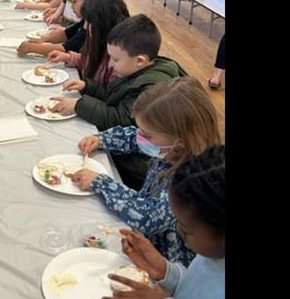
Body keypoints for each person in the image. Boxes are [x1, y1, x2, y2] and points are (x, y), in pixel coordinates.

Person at [73, 77, 221, 265]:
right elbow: (135, 138)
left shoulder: (193, 182)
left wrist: (102, 183)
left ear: (181, 139)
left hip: (166, 261)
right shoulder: (170, 147)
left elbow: (148, 218)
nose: (140, 137)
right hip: (146, 243)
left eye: (147, 135)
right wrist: (101, 139)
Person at [52, 14, 187, 188]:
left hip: (136, 170)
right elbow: (113, 96)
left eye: (115, 60)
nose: (110, 65)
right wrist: (87, 87)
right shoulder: (136, 72)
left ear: (140, 61)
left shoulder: (150, 87)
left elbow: (120, 118)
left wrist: (79, 104)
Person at [102, 144, 225, 299]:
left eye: (186, 229)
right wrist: (166, 271)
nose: (178, 230)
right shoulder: (214, 252)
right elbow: (194, 291)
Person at [47, 0, 130, 84]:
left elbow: (108, 93)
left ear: (103, 23)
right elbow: (91, 60)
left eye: (90, 23)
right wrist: (69, 58)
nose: (86, 27)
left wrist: (85, 88)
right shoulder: (99, 40)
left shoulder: (119, 54)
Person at [17, 0, 109, 56]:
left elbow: (69, 47)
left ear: (90, 0)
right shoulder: (87, 19)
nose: (71, 6)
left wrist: (32, 48)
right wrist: (43, 39)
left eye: (74, 1)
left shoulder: (97, 24)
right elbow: (68, 33)